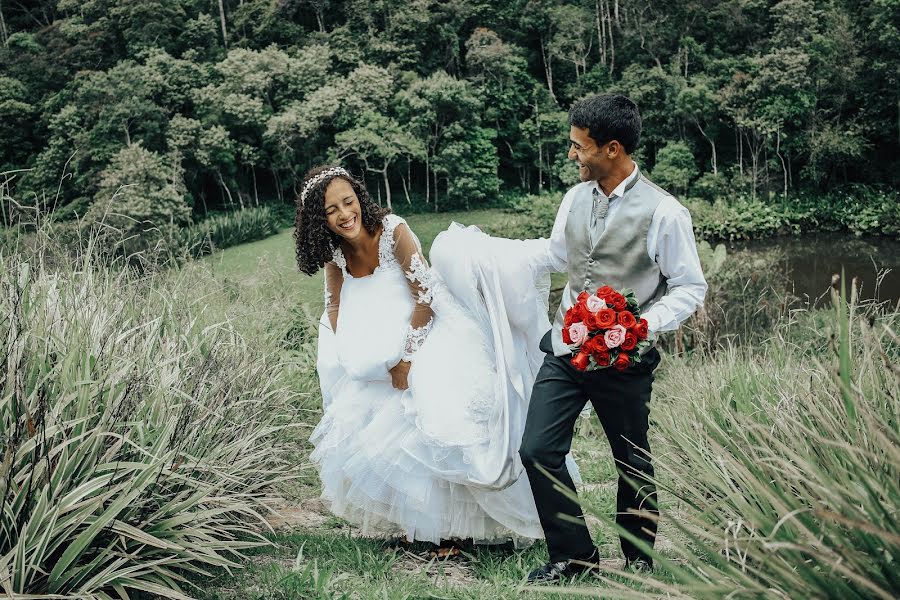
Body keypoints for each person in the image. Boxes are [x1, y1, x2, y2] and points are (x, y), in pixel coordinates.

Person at [295, 165, 578, 553]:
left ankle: (457, 531)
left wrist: (407, 361)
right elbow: (334, 306)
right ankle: (420, 528)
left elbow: (425, 297)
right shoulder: (335, 256)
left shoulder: (393, 231)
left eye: (349, 201)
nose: (345, 214)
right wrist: (354, 354)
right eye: (332, 210)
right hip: (379, 348)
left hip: (428, 333)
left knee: (435, 420)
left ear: (360, 198)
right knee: (384, 435)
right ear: (319, 219)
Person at [520, 94, 708, 583]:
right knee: (537, 450)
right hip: (564, 347)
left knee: (631, 459)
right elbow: (560, 256)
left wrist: (640, 326)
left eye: (579, 147)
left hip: (623, 359)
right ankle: (573, 557)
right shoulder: (574, 198)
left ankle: (640, 560)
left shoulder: (666, 212)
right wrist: (486, 256)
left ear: (612, 148)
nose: (571, 155)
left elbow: (690, 286)